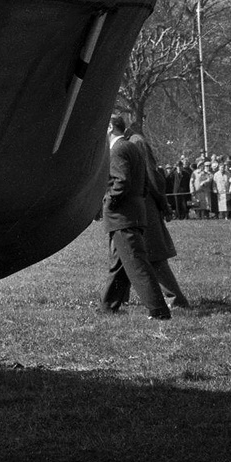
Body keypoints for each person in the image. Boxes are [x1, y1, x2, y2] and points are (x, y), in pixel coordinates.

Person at [101, 115, 170, 320]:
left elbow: (120, 182)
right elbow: (146, 182)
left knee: (137, 263)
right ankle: (108, 306)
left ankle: (158, 310)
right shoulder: (133, 147)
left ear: (111, 127)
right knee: (120, 264)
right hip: (135, 213)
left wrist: (109, 203)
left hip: (122, 216)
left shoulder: (117, 150)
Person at [130, 127, 190, 310]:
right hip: (141, 209)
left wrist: (164, 206)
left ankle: (176, 299)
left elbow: (154, 183)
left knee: (154, 256)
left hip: (146, 210)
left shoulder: (138, 147)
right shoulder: (135, 145)